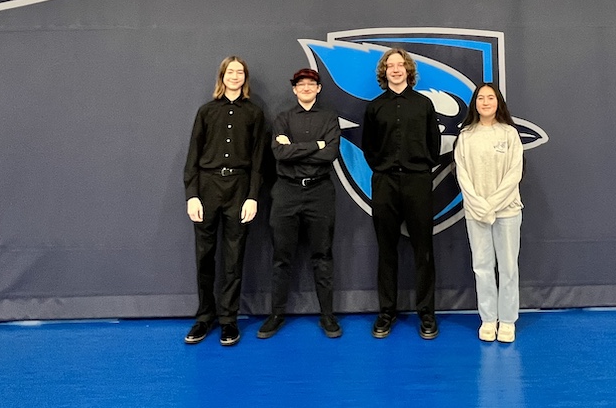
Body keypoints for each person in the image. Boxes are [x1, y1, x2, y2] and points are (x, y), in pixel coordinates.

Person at [182, 56, 266, 347]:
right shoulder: (206, 112)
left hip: (239, 188)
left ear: (245, 78)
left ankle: (229, 319)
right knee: (205, 256)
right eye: (230, 71)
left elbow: (258, 160)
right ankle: (205, 317)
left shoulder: (254, 113)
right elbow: (193, 156)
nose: (235, 76)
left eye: (240, 72)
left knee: (234, 256)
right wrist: (192, 195)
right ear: (222, 76)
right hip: (207, 187)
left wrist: (252, 197)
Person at [361, 48, 442, 339]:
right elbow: (368, 146)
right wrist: (384, 168)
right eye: (390, 65)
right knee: (386, 250)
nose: (395, 69)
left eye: (400, 65)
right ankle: (387, 312)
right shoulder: (375, 107)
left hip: (417, 182)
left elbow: (434, 145)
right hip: (385, 183)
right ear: (384, 72)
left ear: (408, 70)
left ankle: (427, 313)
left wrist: (418, 168)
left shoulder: (423, 104)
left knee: (424, 250)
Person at [258, 68, 343, 339]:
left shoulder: (329, 118)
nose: (306, 87)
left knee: (323, 255)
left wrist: (296, 148)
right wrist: (316, 145)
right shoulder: (282, 119)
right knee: (281, 257)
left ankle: (327, 316)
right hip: (287, 192)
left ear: (318, 88)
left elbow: (330, 153)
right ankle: (276, 315)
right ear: (294, 89)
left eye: (311, 83)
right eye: (301, 84)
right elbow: (280, 154)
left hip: (320, 192)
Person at [453, 82, 524, 343]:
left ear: (498, 102)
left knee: (508, 267)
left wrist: (492, 203)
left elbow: (514, 174)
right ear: (475, 103)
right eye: (481, 98)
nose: (485, 102)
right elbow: (462, 174)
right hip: (476, 212)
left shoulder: (509, 134)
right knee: (482, 267)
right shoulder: (466, 136)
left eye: (490, 98)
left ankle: (507, 320)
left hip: (507, 211)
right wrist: (479, 205)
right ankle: (488, 319)